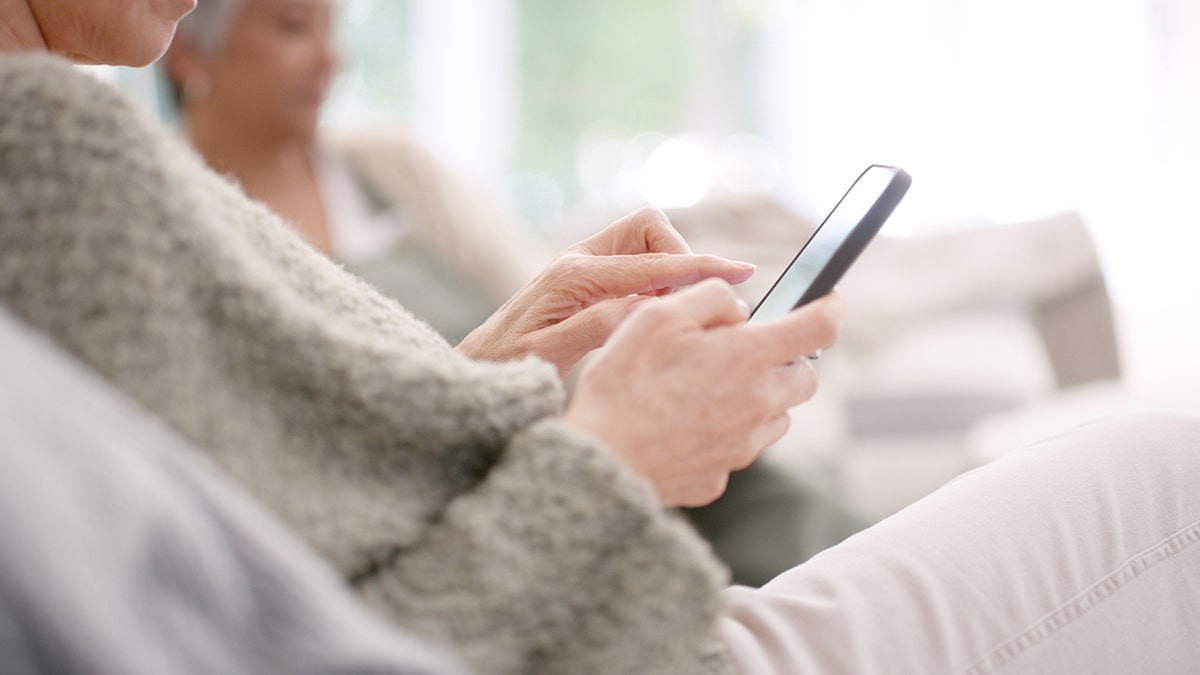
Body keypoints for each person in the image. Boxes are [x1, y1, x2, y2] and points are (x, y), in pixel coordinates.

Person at [0, 3, 1198, 675]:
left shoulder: (80, 150)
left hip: (602, 607)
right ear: (209, 65)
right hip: (616, 643)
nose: (328, 53)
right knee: (1171, 480)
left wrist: (494, 364)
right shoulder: (46, 164)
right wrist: (612, 454)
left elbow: (272, 523)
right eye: (284, 25)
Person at [160, 0, 865, 586]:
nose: (330, 57)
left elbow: (536, 290)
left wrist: (650, 348)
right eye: (293, 28)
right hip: (505, 506)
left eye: (333, 28)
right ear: (189, 51)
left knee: (827, 544)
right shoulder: (181, 229)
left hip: (614, 435)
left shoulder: (388, 170)